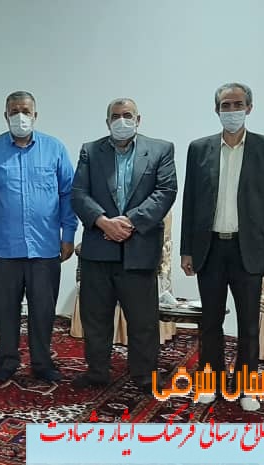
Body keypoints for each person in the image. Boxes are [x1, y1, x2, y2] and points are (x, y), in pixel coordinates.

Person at [180, 83, 264, 411]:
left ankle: (247, 386)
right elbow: (190, 202)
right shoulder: (199, 149)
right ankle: (211, 381)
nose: (231, 111)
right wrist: (187, 250)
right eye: (225, 105)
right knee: (210, 322)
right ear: (217, 110)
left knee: (249, 325)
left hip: (249, 251)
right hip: (210, 249)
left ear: (249, 108)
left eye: (238, 104)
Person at [0, 91, 78, 383]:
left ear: (35, 115)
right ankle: (6, 360)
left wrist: (68, 234)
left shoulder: (55, 149)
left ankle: (42, 362)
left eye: (26, 111)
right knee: (5, 309)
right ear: (6, 116)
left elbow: (68, 194)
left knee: (43, 310)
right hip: (3, 248)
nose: (20, 116)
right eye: (14, 111)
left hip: (45, 247)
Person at [70, 98, 176, 394]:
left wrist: (128, 222)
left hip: (139, 248)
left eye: (127, 115)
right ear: (107, 122)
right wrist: (104, 222)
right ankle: (97, 372)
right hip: (98, 249)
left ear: (138, 119)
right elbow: (78, 193)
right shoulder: (91, 150)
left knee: (143, 321)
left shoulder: (161, 149)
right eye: (115, 116)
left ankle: (144, 375)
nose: (121, 121)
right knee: (95, 318)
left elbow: (166, 192)